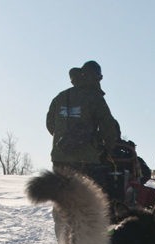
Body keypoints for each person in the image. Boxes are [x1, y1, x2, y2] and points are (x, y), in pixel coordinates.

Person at [46, 60, 121, 201]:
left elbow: (50, 124)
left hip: (59, 159)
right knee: (91, 202)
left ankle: (62, 223)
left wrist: (64, 139)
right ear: (97, 77)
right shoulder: (95, 98)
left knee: (62, 202)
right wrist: (108, 148)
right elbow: (108, 127)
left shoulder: (61, 97)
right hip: (87, 161)